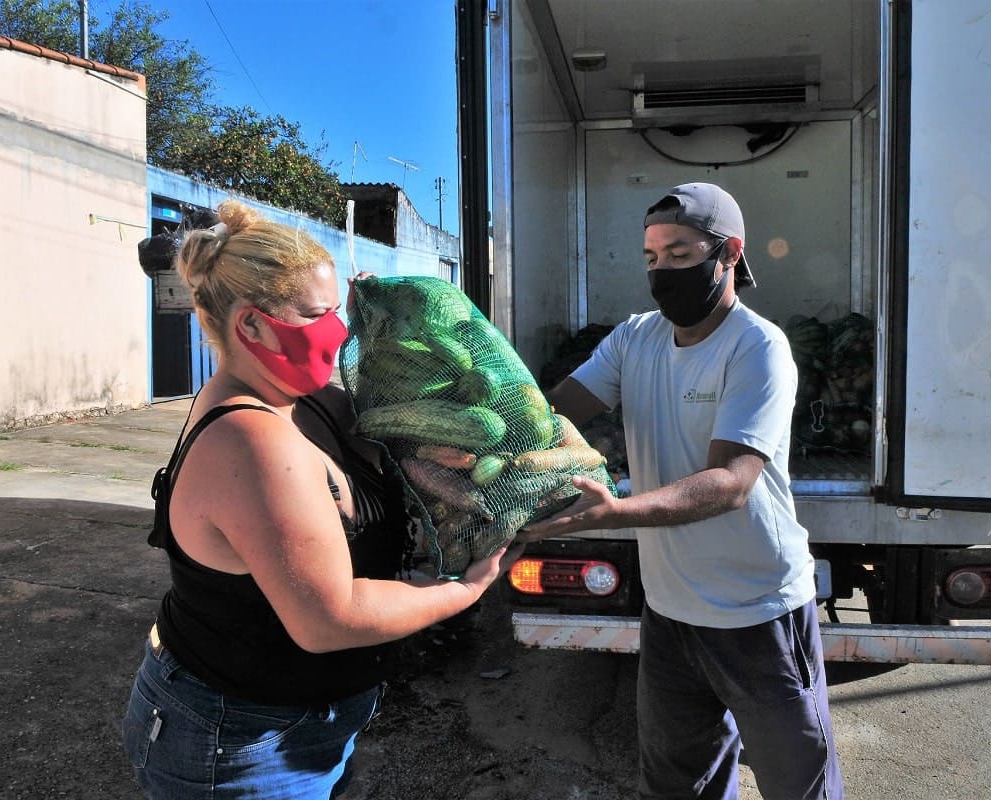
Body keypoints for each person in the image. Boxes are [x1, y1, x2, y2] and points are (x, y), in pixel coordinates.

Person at [121, 199, 519, 799]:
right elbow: (328, 620)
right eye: (315, 315)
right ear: (251, 325)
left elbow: (416, 436)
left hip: (304, 724)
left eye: (339, 310)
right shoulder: (250, 441)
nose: (339, 330)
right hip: (241, 743)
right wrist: (462, 591)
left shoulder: (305, 400)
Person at [519, 183, 844, 799]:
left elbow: (730, 483)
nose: (662, 271)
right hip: (669, 611)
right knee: (678, 786)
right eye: (651, 257)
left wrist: (614, 512)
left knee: (798, 785)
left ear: (728, 254)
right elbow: (554, 413)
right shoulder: (634, 338)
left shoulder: (757, 346)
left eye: (680, 253)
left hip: (758, 610)